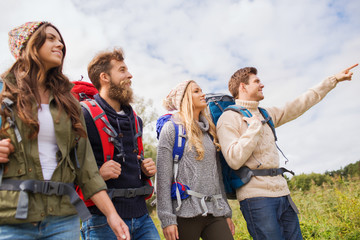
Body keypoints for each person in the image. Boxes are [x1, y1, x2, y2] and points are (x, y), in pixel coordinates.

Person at [0, 22, 130, 240]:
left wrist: (112, 215)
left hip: (62, 218)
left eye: (59, 39)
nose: (59, 44)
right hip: (12, 218)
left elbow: (86, 166)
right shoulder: (3, 93)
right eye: (50, 38)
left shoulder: (69, 102)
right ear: (28, 45)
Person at [216, 64, 358, 240]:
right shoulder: (228, 118)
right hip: (257, 199)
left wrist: (333, 80)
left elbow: (300, 103)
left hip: (283, 194)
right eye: (257, 81)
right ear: (242, 86)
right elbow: (234, 159)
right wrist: (254, 128)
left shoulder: (266, 113)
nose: (262, 85)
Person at [80, 48, 160, 240]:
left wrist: (144, 169)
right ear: (105, 77)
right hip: (101, 219)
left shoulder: (135, 119)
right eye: (122, 70)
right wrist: (98, 173)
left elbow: (132, 160)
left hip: (142, 216)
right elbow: (72, 169)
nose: (130, 75)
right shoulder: (84, 116)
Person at [157, 80, 235, 240]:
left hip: (215, 211)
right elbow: (163, 178)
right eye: (196, 91)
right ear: (184, 98)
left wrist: (226, 211)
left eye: (201, 91)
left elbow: (217, 176)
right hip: (183, 213)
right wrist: (167, 219)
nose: (203, 94)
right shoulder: (171, 129)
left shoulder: (210, 132)